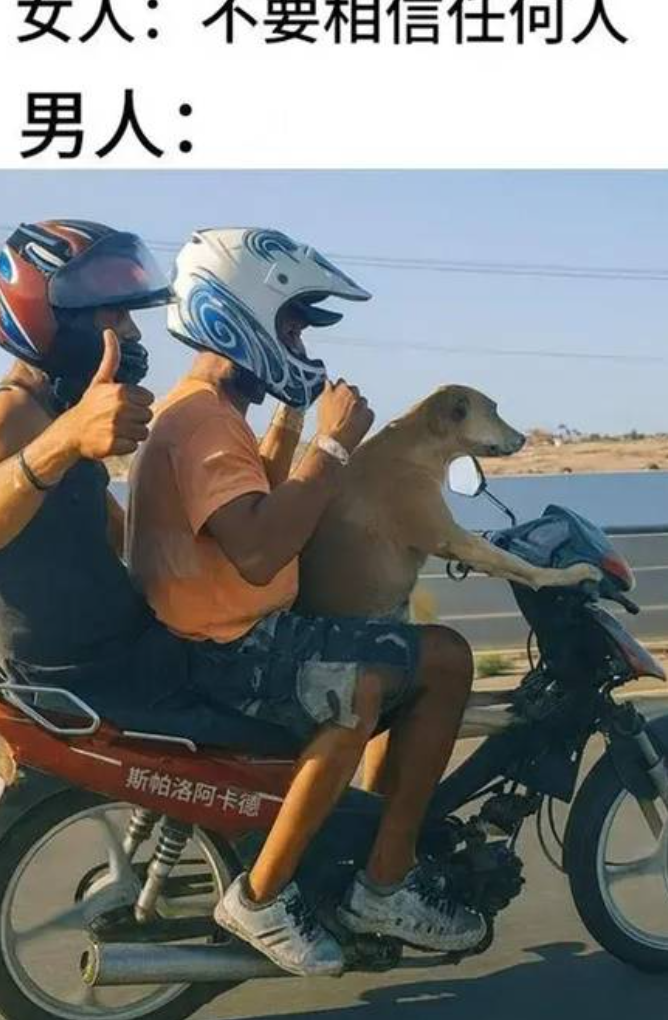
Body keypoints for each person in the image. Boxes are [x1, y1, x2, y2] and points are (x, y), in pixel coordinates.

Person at [127, 227, 487, 977]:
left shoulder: (201, 411)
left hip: (221, 635)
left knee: (417, 652)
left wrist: (292, 417)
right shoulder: (202, 421)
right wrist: (333, 445)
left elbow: (254, 497)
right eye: (290, 326)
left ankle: (365, 852)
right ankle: (334, 888)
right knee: (416, 669)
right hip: (230, 650)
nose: (299, 343)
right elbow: (261, 548)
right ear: (238, 316)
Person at [0, 219, 185, 708]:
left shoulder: (58, 409)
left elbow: (108, 528)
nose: (132, 331)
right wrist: (64, 441)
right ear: (52, 314)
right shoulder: (13, 410)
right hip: (82, 681)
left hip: (127, 652)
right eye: (117, 313)